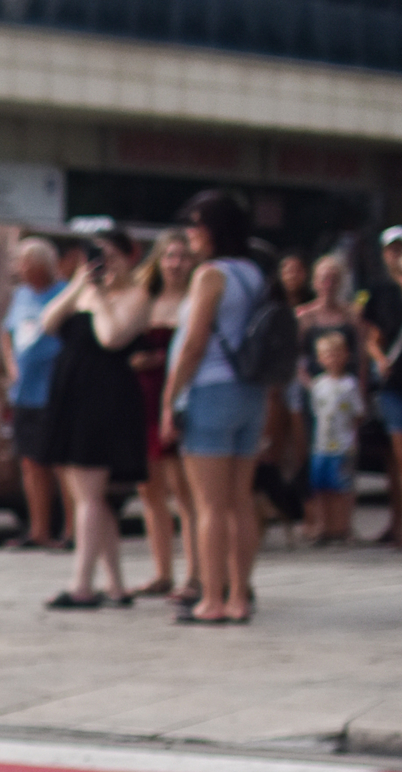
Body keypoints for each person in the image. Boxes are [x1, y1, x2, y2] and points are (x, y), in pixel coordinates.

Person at [160, 190, 279, 625]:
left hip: (210, 391)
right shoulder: (253, 272)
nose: (189, 233)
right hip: (250, 392)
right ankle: (240, 597)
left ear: (210, 230)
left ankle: (212, 598)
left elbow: (193, 345)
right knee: (240, 501)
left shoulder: (209, 275)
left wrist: (169, 399)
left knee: (208, 504)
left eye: (194, 225)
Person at [41, 230, 149, 608]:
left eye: (110, 256)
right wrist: (77, 285)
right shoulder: (82, 291)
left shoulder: (135, 296)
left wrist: (102, 293)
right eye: (97, 256)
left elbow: (111, 336)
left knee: (89, 495)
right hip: (72, 395)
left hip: (105, 399)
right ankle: (116, 584)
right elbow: (48, 321)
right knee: (90, 497)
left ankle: (82, 583)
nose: (104, 264)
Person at [125, 231, 196, 599]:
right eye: (169, 256)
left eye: (182, 256)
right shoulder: (144, 301)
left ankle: (195, 573)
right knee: (149, 491)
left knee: (184, 492)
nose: (175, 263)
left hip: (179, 402)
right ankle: (161, 571)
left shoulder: (196, 301)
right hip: (143, 400)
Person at [0, 239, 66, 550]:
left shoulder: (63, 294)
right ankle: (37, 529)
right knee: (30, 463)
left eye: (22, 263)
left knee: (60, 464)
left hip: (53, 392)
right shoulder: (21, 296)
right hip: (24, 392)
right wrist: (11, 365)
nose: (18, 270)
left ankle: (69, 530)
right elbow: (7, 333)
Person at [361, 226, 402, 547]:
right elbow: (370, 333)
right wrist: (378, 358)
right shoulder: (379, 290)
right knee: (395, 458)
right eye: (392, 249)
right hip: (393, 382)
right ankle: (396, 522)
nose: (397, 254)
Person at [305, 329, 362, 545]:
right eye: (327, 354)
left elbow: (357, 414)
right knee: (321, 488)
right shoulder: (318, 385)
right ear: (320, 358)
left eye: (337, 353)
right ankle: (324, 527)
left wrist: (352, 439)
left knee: (343, 489)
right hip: (321, 446)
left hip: (343, 445)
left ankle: (343, 528)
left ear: (346, 355)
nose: (333, 358)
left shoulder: (350, 384)